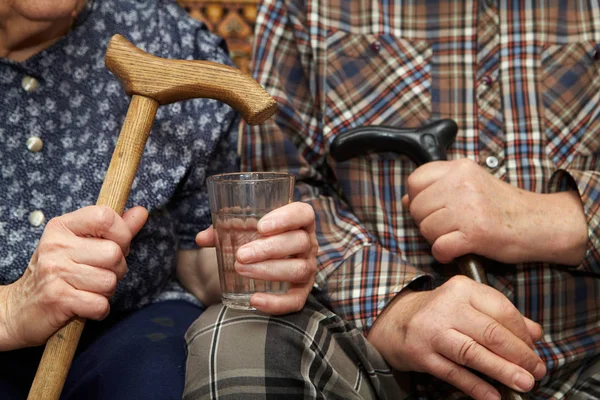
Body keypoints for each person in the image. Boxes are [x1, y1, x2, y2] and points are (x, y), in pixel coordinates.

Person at [183, 1, 600, 399]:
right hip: (376, 364)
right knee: (235, 341)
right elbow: (282, 187)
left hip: (587, 359)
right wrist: (394, 309)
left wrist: (555, 218)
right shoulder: (304, 6)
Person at [0, 0, 317, 399]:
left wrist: (259, 262)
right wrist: (11, 311)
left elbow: (195, 258)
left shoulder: (170, 40)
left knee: (158, 380)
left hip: (133, 324)